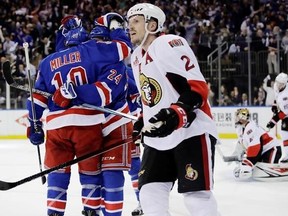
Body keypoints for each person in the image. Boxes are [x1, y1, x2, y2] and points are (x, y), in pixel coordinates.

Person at [26, 13, 132, 216]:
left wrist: (34, 126)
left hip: (56, 126)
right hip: (88, 122)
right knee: (90, 172)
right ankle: (91, 210)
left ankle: (54, 212)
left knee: (57, 173)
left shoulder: (48, 62)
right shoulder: (93, 50)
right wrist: (117, 27)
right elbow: (124, 48)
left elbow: (36, 99)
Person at [127, 3, 219, 216]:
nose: (130, 27)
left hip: (191, 131)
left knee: (197, 198)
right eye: (129, 22)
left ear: (152, 24)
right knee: (149, 194)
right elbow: (151, 97)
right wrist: (143, 119)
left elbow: (197, 88)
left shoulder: (168, 43)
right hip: (159, 138)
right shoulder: (136, 57)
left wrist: (177, 113)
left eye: (136, 21)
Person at [232, 108, 284, 180]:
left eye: (237, 116)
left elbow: (256, 148)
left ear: (242, 117)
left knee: (267, 171)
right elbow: (243, 144)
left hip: (272, 149)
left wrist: (248, 162)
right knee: (257, 167)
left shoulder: (251, 128)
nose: (236, 118)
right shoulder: (241, 128)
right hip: (263, 150)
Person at [266, 72, 288, 162]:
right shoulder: (276, 85)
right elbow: (276, 96)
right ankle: (286, 156)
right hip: (284, 113)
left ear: (284, 84)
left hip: (286, 113)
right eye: (277, 82)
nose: (277, 85)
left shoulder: (286, 95)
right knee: (284, 134)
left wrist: (272, 122)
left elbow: (283, 113)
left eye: (280, 84)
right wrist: (274, 105)